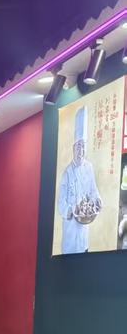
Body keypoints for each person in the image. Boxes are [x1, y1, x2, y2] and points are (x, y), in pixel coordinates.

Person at [57, 105, 102, 255]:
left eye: (83, 147)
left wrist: (98, 200)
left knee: (84, 253)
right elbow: (61, 203)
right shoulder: (67, 173)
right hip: (70, 234)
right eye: (78, 147)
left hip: (84, 234)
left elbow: (93, 190)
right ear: (73, 149)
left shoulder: (89, 167)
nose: (81, 151)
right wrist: (71, 211)